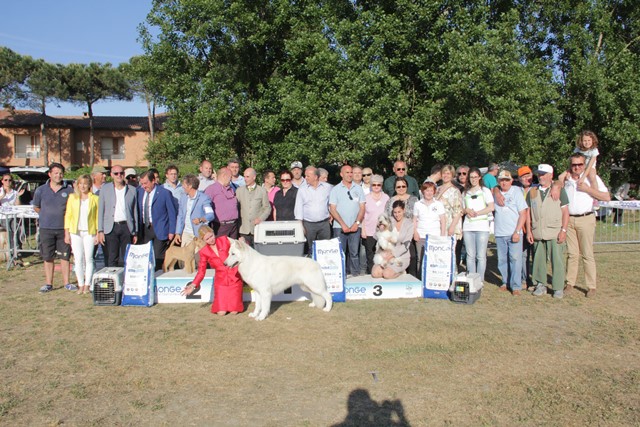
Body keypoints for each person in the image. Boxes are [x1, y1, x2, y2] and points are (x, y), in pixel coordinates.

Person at [564, 153, 610, 297]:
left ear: (584, 165)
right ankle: (569, 283)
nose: (577, 167)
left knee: (587, 254)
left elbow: (606, 197)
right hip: (569, 220)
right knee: (572, 254)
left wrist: (587, 189)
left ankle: (591, 286)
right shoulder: (567, 179)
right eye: (574, 164)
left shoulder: (592, 178)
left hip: (586, 218)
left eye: (580, 164)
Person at [526, 164, 569, 298]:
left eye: (544, 174)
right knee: (538, 260)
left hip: (554, 231)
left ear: (551, 175)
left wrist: (563, 230)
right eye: (539, 174)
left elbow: (565, 212)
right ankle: (540, 284)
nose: (541, 177)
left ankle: (558, 287)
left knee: (557, 260)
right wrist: (529, 231)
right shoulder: (532, 191)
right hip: (538, 231)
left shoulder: (559, 190)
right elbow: (528, 213)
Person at [181, 225, 244, 315]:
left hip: (234, 278)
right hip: (221, 282)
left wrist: (243, 241)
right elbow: (201, 271)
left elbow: (240, 247)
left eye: (211, 236)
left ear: (213, 233)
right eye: (207, 239)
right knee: (221, 313)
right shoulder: (203, 252)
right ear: (203, 240)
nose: (211, 240)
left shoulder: (224, 239)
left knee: (234, 312)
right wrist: (193, 285)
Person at [32, 163, 75, 293]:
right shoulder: (41, 190)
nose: (58, 175)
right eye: (56, 173)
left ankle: (67, 283)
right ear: (50, 174)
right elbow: (36, 207)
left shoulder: (69, 190)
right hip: (46, 228)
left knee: (65, 257)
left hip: (64, 229)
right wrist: (46, 215)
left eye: (61, 173)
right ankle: (48, 283)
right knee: (48, 257)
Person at [493, 170, 528, 295]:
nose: (504, 182)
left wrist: (517, 231)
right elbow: (493, 189)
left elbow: (523, 213)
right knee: (502, 259)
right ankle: (505, 282)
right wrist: (496, 191)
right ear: (498, 181)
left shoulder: (517, 192)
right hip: (500, 232)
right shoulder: (495, 193)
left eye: (507, 180)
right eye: (502, 180)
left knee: (515, 259)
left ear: (511, 181)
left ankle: (516, 285)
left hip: (514, 232)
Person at [64, 174, 99, 295]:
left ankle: (87, 284)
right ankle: (80, 284)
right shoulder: (72, 198)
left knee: (89, 258)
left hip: (90, 232)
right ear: (77, 185)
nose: (83, 186)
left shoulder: (95, 198)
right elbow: (68, 215)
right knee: (78, 259)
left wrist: (98, 233)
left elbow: (97, 217)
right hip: (75, 232)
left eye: (85, 184)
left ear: (89, 185)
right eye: (80, 183)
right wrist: (67, 233)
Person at [98, 165, 138, 268]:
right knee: (112, 257)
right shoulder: (105, 189)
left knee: (127, 257)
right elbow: (101, 210)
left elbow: (135, 212)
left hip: (126, 226)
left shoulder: (132, 190)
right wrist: (100, 230)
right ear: (111, 175)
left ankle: (126, 277)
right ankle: (112, 277)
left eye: (121, 173)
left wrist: (135, 231)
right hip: (111, 227)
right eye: (116, 173)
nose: (119, 175)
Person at [329, 164, 366, 277]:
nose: (350, 174)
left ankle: (355, 275)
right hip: (339, 227)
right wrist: (343, 225)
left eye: (351, 172)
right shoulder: (335, 189)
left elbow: (362, 208)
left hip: (355, 227)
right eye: (347, 172)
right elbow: (332, 209)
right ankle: (341, 275)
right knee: (341, 253)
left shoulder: (358, 188)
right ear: (341, 174)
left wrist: (357, 223)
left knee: (354, 253)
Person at [137, 170, 178, 270]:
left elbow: (172, 213)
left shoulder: (164, 193)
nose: (144, 186)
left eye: (146, 183)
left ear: (153, 181)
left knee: (158, 256)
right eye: (142, 184)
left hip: (160, 228)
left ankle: (159, 274)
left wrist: (172, 231)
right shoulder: (140, 192)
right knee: (146, 256)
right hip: (145, 229)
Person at [462, 167, 495, 283]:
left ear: (480, 177)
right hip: (468, 227)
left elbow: (491, 207)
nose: (473, 179)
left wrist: (478, 213)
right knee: (470, 255)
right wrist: (466, 210)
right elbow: (462, 209)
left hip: (482, 227)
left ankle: (480, 280)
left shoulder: (485, 191)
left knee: (480, 256)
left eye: (475, 177)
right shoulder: (465, 192)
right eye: (471, 177)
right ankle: (471, 279)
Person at [384, 177, 419, 276]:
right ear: (395, 188)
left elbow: (417, 217)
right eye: (398, 186)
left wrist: (415, 231)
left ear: (407, 187)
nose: (401, 188)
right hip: (395, 234)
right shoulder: (390, 201)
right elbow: (386, 217)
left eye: (403, 186)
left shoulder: (414, 200)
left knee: (412, 257)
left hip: (410, 231)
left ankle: (412, 278)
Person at [294, 166, 332, 254]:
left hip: (324, 224)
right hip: (309, 224)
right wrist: (300, 225)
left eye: (308, 176)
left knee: (325, 248)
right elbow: (298, 208)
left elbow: (332, 202)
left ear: (315, 177)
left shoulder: (327, 188)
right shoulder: (302, 190)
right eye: (305, 176)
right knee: (310, 249)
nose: (305, 178)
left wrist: (332, 213)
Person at [371, 200, 413, 279]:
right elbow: (376, 236)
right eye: (395, 212)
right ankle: (388, 269)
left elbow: (406, 245)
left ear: (404, 210)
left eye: (399, 212)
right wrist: (379, 229)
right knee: (375, 274)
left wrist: (392, 255)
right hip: (384, 254)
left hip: (400, 256)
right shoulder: (388, 220)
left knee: (387, 274)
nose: (397, 215)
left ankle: (400, 272)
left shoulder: (409, 224)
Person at [413, 182, 446, 276]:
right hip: (421, 236)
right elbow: (414, 220)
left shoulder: (439, 204)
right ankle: (420, 279)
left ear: (434, 192)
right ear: (423, 191)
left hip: (435, 237)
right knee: (420, 259)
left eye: (431, 190)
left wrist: (442, 236)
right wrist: (415, 233)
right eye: (427, 190)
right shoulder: (417, 204)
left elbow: (443, 221)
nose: (429, 193)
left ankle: (433, 279)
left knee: (434, 260)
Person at [436, 165, 464, 270]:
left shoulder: (455, 190)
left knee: (449, 252)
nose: (446, 175)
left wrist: (452, 227)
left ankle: (452, 274)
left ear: (452, 175)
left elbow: (458, 211)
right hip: (438, 225)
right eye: (444, 173)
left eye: (448, 173)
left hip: (450, 224)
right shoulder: (437, 189)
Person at [174, 174, 215, 247]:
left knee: (199, 254)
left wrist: (200, 219)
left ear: (190, 186)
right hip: (186, 233)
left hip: (199, 233)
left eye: (184, 184)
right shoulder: (183, 198)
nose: (182, 186)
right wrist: (178, 233)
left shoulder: (204, 198)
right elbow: (180, 216)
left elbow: (210, 215)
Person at [235, 168, 271, 247]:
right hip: (243, 229)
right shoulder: (239, 191)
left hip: (257, 229)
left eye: (247, 177)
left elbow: (267, 208)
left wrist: (261, 218)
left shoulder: (262, 191)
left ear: (254, 177)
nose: (245, 179)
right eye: (244, 176)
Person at [361, 174, 389, 274]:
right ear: (371, 185)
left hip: (383, 232)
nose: (376, 187)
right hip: (369, 231)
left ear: (381, 185)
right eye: (374, 185)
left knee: (383, 254)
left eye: (378, 185)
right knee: (370, 255)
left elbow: (389, 215)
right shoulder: (365, 198)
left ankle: (383, 273)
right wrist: (363, 230)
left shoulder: (386, 197)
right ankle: (371, 274)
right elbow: (362, 215)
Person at [515, 166, 537, 290]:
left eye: (528, 175)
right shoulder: (516, 190)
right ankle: (524, 279)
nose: (526, 178)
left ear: (532, 175)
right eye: (523, 176)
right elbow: (497, 187)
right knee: (523, 255)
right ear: (519, 178)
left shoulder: (537, 188)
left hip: (535, 227)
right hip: (521, 227)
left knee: (536, 254)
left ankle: (535, 280)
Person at [205, 167, 239, 238]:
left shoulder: (231, 189)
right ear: (224, 176)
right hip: (221, 226)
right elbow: (205, 207)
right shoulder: (211, 189)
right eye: (230, 177)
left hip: (234, 226)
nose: (231, 179)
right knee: (221, 245)